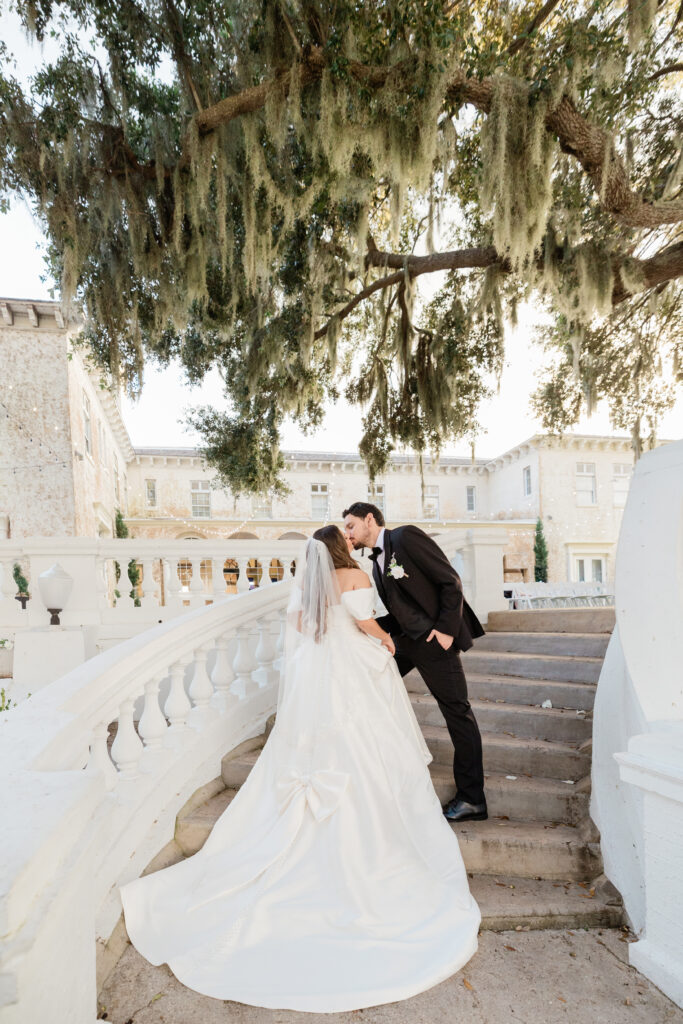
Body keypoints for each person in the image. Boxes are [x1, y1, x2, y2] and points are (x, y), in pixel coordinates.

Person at [119, 529, 480, 1013]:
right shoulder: (351, 574)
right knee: (366, 737)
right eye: (347, 536)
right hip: (355, 661)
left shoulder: (310, 581)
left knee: (322, 735)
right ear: (339, 546)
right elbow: (366, 620)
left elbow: (299, 623)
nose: (353, 542)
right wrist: (388, 645)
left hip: (322, 666)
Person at [343, 502, 487, 823]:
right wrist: (366, 625)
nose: (347, 533)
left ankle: (472, 799)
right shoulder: (376, 560)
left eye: (351, 525)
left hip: (435, 642)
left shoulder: (406, 538)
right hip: (409, 641)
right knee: (369, 682)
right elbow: (401, 609)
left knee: (457, 714)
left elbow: (450, 581)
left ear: (370, 519)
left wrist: (446, 631)